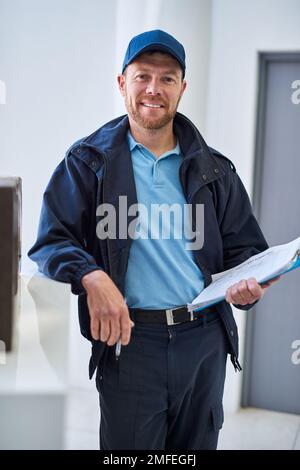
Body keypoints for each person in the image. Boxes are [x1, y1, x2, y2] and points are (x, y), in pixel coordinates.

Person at [28, 29, 278, 450]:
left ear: (182, 88)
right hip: (130, 345)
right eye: (143, 76)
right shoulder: (88, 163)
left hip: (204, 342)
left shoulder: (214, 170)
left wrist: (250, 288)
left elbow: (247, 252)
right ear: (122, 83)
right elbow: (51, 242)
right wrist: (92, 276)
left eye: (166, 79)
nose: (153, 89)